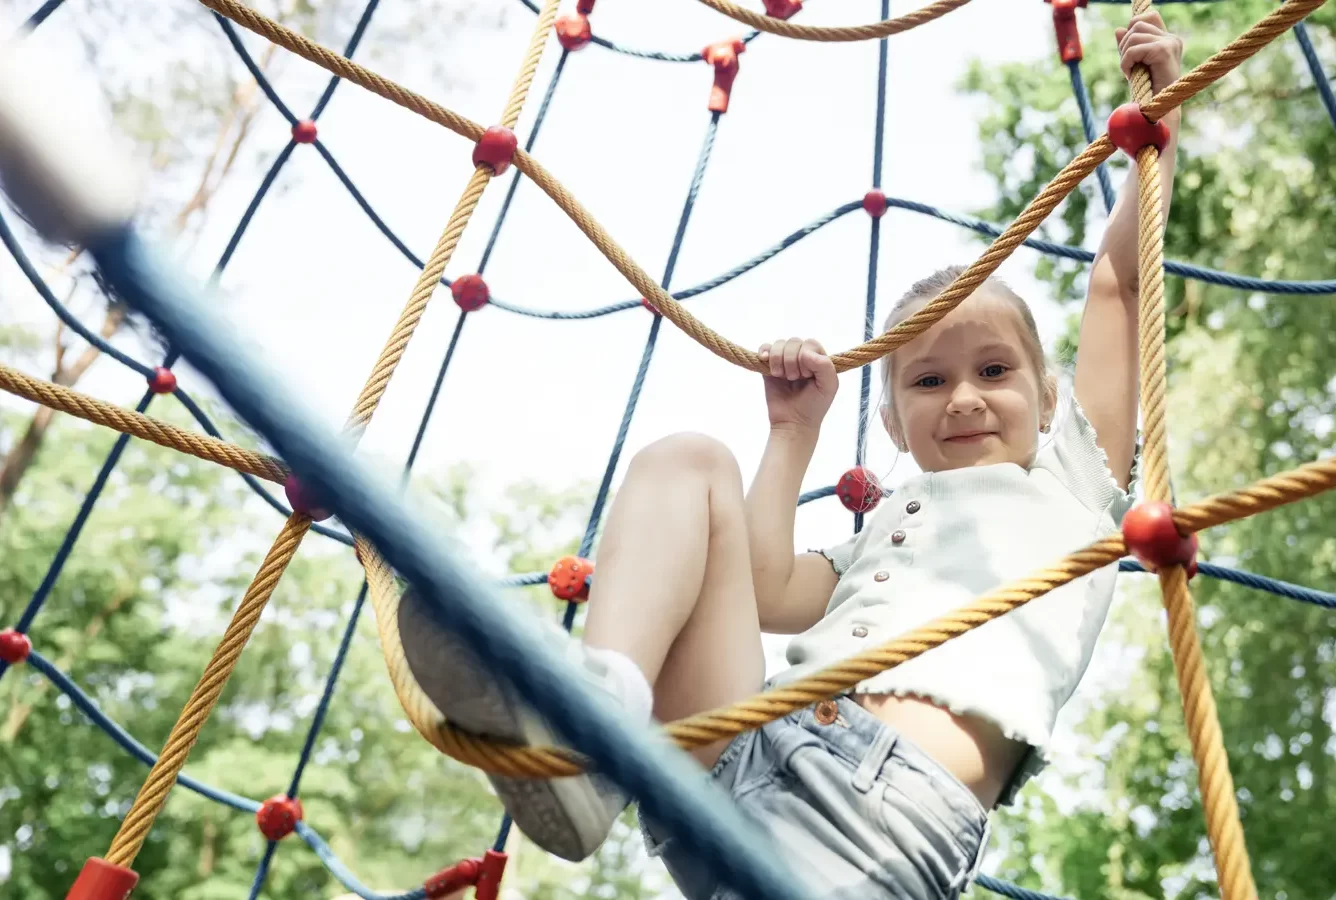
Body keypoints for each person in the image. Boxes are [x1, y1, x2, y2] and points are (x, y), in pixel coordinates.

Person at [396, 11, 1182, 899]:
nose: (962, 396)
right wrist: (792, 435)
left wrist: (1159, 129)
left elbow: (1117, 289)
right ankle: (597, 735)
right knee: (688, 460)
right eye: (927, 383)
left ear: (1048, 400)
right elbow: (766, 592)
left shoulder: (1071, 485)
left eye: (993, 371)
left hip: (878, 816)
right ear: (890, 423)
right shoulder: (883, 533)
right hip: (746, 751)